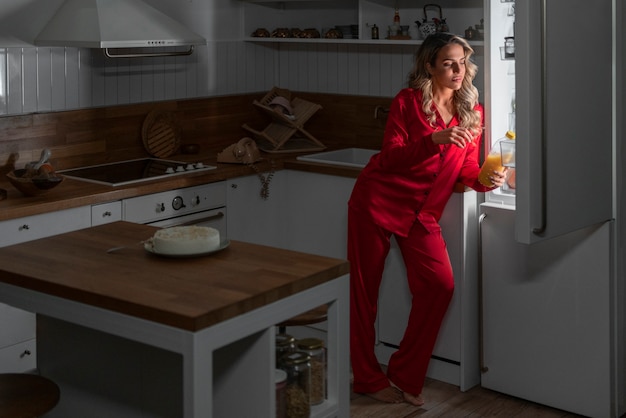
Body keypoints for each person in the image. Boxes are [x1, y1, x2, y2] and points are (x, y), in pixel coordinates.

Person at [347, 32, 507, 406]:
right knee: (363, 295)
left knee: (440, 286)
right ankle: (367, 378)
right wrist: (434, 140)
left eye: (463, 62)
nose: (458, 70)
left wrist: (487, 179)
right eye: (449, 62)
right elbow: (390, 157)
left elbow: (466, 171)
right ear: (430, 66)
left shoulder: (473, 112)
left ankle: (405, 373)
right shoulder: (408, 102)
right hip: (376, 201)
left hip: (422, 214)